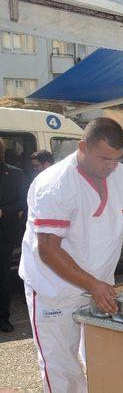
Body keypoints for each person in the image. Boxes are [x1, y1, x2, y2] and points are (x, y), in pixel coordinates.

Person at [19, 118, 123, 392]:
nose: (111, 166)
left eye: (117, 158)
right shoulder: (54, 184)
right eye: (104, 158)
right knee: (61, 367)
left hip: (101, 283)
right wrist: (92, 285)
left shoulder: (121, 175)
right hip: (54, 287)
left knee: (104, 356)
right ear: (82, 147)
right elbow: (48, 249)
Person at [0, 138, 28, 333]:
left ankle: (3, 318)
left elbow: (23, 202)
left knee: (2, 279)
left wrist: (3, 211)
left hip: (4, 235)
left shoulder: (15, 173)